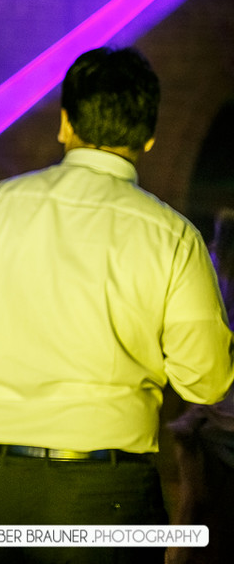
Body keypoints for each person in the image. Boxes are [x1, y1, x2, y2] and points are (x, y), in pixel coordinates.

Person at [0, 46, 234, 564]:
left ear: (64, 125)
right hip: (104, 493)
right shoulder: (174, 237)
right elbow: (206, 381)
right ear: (147, 137)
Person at [165, 208, 234, 564]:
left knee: (197, 517)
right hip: (212, 420)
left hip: (212, 420)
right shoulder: (210, 272)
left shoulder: (208, 272)